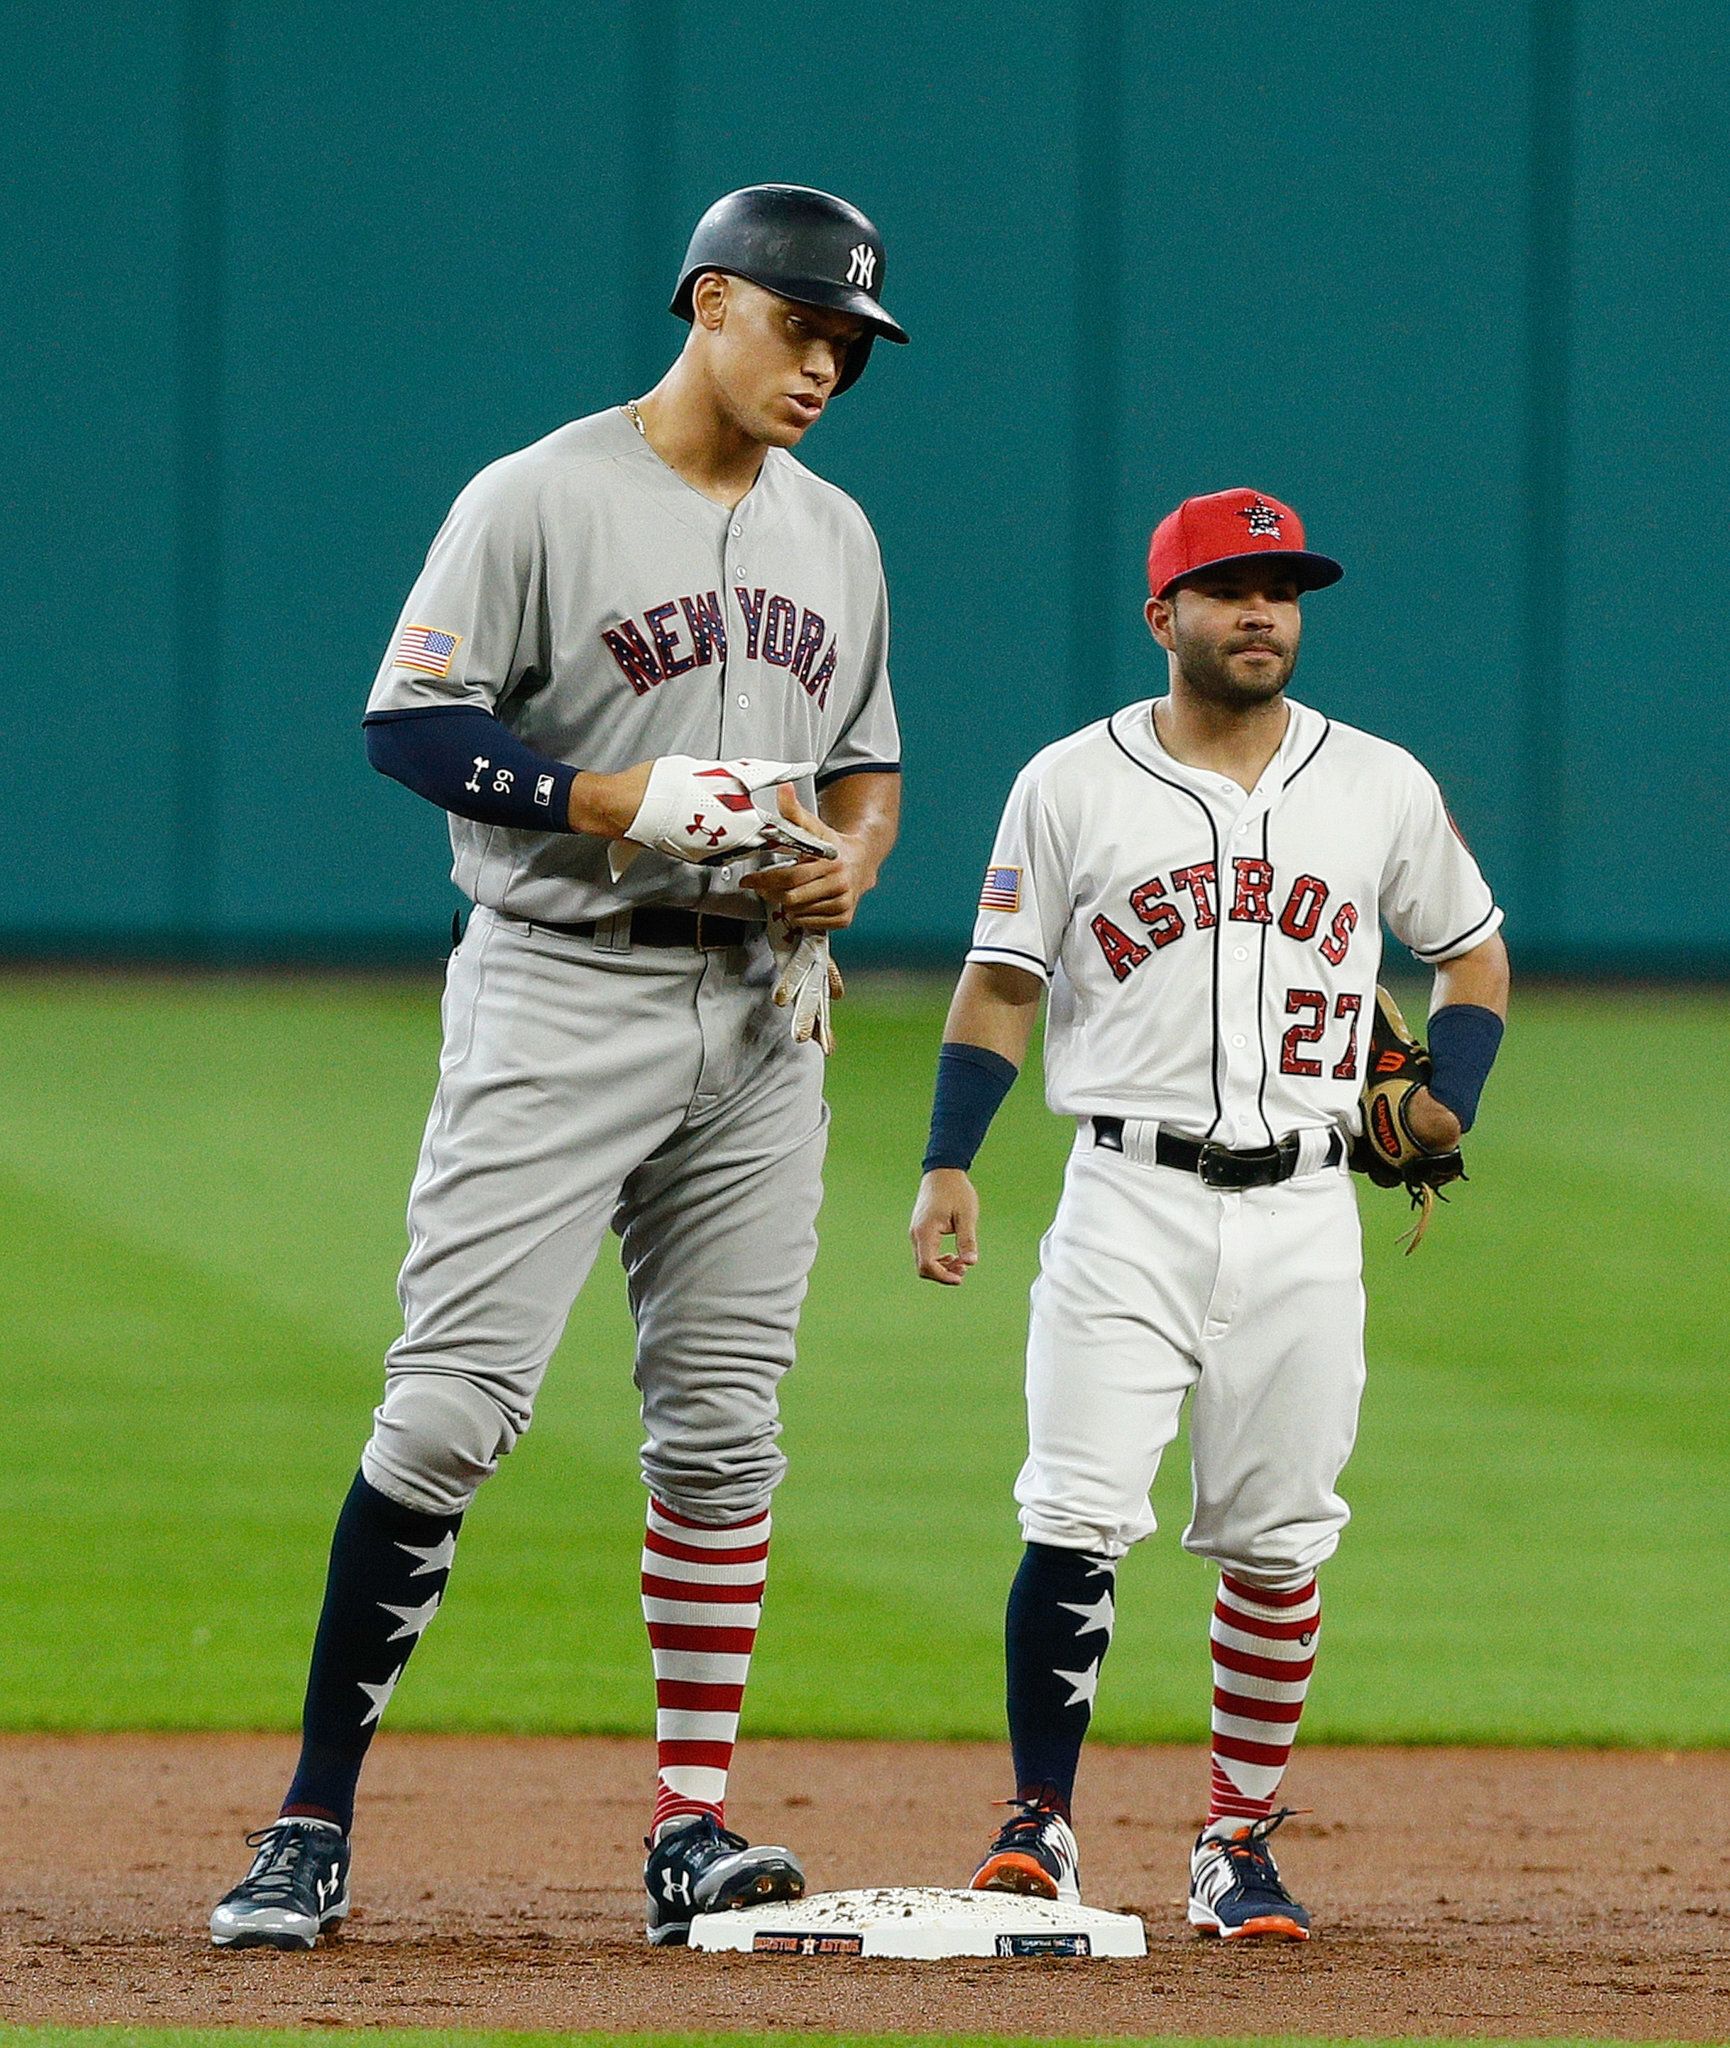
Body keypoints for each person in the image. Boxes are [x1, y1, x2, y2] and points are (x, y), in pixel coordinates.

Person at [210, 184, 906, 1952]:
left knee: (726, 1436)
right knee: (449, 1411)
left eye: (850, 345)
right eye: (801, 326)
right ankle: (309, 1823)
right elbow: (409, 722)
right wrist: (605, 798)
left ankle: (691, 1827)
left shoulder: (837, 534)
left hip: (763, 1016)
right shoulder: (536, 495)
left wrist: (851, 859)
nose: (825, 366)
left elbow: (866, 762)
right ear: (706, 300)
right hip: (559, 987)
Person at [909, 487, 1508, 1941]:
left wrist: (1450, 1099)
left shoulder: (1376, 782)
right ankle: (1037, 1828)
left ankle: (1235, 1840)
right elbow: (1001, 981)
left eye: (1282, 590)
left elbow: (1471, 955)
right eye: (1231, 587)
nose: (1261, 612)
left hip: (1304, 1208)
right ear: (1160, 614)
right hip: (1125, 1198)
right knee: (1073, 1514)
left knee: (1280, 1540)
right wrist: (948, 1159)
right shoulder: (1070, 782)